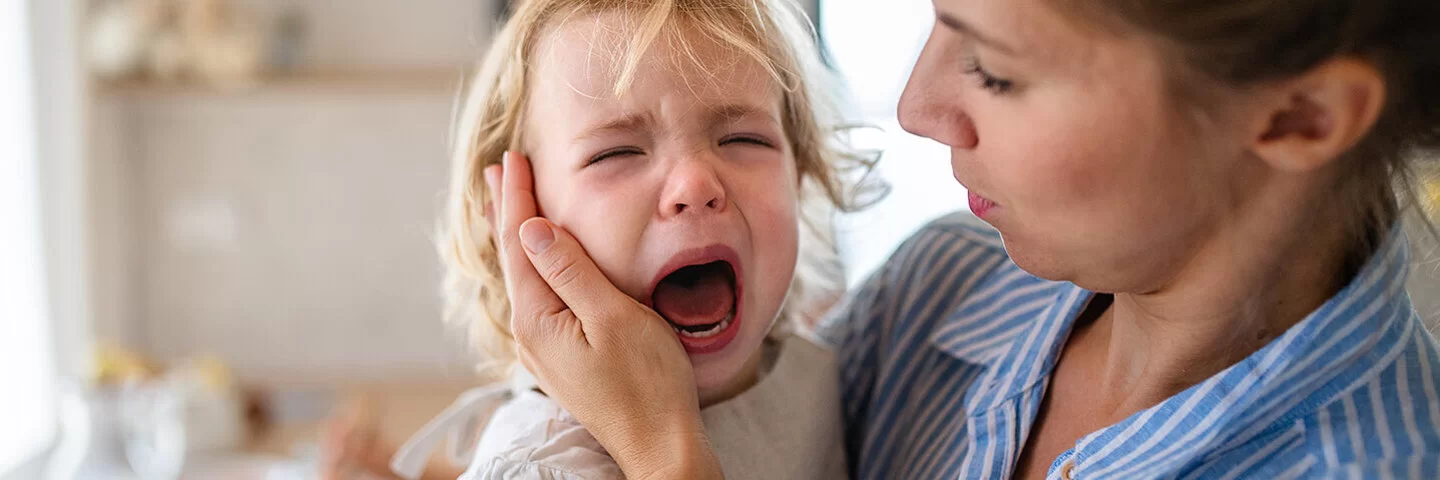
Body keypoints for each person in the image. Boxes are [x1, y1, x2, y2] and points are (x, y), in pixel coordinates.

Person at [492, 0, 1440, 478]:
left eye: (993, 69)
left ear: (1303, 115)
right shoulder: (941, 287)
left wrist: (665, 452)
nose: (916, 105)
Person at [320, 0, 876, 478]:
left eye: (744, 138)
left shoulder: (816, 374)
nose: (696, 185)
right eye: (617, 152)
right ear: (518, 219)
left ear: (799, 177)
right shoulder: (542, 463)